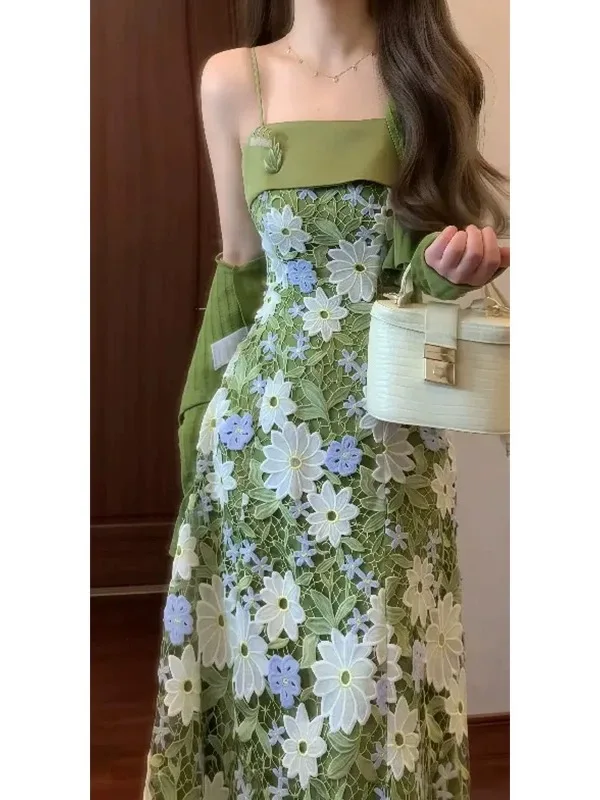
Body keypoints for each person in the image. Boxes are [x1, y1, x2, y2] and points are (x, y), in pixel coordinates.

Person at [144, 1, 509, 798]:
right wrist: (198, 432)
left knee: (372, 680)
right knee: (267, 672)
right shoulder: (232, 80)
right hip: (259, 441)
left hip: (387, 447)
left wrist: (452, 274)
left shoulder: (434, 77)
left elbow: (420, 278)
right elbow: (241, 273)